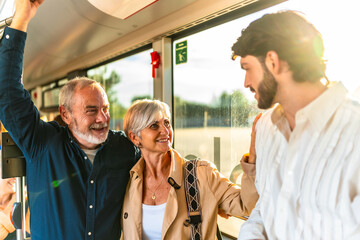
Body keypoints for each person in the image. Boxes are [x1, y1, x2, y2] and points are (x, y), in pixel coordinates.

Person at [0, 1, 139, 239]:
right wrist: (21, 18)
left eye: (105, 108)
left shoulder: (124, 149)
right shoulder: (42, 143)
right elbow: (7, 90)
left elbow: (161, 165)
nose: (102, 118)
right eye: (91, 110)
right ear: (65, 114)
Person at [231, 11, 360, 239]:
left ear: (272, 61)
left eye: (247, 68)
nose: (246, 82)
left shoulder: (354, 131)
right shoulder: (265, 130)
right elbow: (266, 206)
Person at [121, 99, 259, 239]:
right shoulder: (128, 181)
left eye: (167, 123)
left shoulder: (202, 174)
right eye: (154, 125)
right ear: (135, 137)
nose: (165, 131)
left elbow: (245, 205)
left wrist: (253, 153)